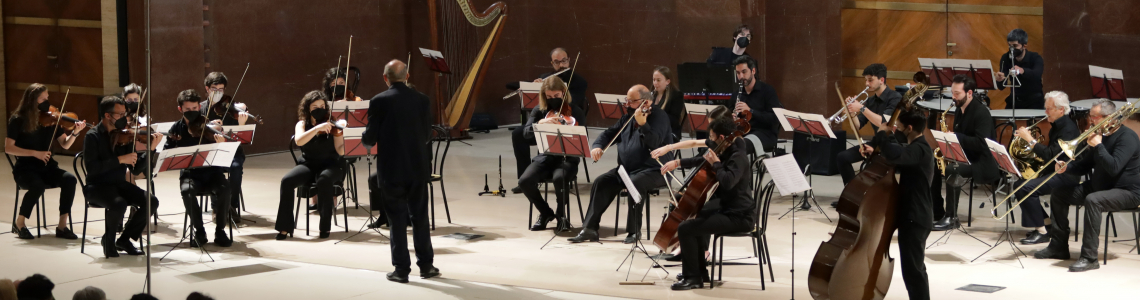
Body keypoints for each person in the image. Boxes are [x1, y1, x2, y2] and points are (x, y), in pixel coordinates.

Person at [1036, 100, 1140, 272]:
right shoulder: (1101, 135)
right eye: (1090, 116)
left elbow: (1114, 168)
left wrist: (1098, 145)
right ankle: (1058, 246)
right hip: (1101, 187)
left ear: (1110, 118)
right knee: (1059, 193)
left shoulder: (1127, 137)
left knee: (1093, 200)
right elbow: (1085, 165)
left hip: (1128, 192)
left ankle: (1089, 258)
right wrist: (1066, 167)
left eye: (1094, 117)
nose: (1090, 121)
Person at [362, 59, 440, 283]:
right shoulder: (422, 100)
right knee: (420, 217)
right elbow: (427, 135)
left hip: (391, 169)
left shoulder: (379, 101)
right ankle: (427, 266)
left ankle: (401, 270)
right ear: (407, 76)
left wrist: (365, 140)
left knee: (396, 220)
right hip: (418, 168)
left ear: (385, 78)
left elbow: (370, 137)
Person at [657, 112, 753, 291]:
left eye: (712, 137)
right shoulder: (725, 145)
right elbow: (703, 158)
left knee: (685, 228)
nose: (709, 140)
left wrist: (716, 163)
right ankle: (699, 272)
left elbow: (727, 181)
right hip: (727, 207)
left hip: (739, 215)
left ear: (722, 138)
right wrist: (678, 162)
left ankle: (692, 278)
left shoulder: (737, 156)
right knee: (697, 214)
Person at [568, 85, 673, 244]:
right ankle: (589, 228)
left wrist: (643, 124)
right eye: (627, 101)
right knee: (601, 182)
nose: (627, 105)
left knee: (635, 183)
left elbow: (655, 142)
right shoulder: (627, 118)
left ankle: (634, 231)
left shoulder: (659, 117)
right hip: (627, 170)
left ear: (646, 101)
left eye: (631, 101)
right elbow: (609, 133)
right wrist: (598, 146)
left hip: (655, 170)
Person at [860, 110, 934, 300]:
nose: (896, 130)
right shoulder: (915, 148)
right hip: (911, 215)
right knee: (913, 270)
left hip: (916, 217)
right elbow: (897, 157)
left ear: (909, 129)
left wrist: (883, 134)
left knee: (914, 271)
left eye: (899, 128)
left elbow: (897, 154)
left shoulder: (920, 149)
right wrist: (874, 151)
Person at [82, 95, 163, 257]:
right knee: (119, 204)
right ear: (107, 115)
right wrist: (119, 160)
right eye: (119, 114)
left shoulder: (125, 136)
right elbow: (92, 169)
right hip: (97, 186)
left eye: (124, 113)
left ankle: (124, 239)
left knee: (151, 201)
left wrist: (150, 150)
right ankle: (109, 240)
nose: (124, 118)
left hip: (119, 184)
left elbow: (135, 169)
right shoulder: (92, 136)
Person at [5, 83, 85, 240]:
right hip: (25, 169)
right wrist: (35, 153)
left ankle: (62, 226)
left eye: (47, 98)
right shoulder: (17, 119)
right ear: (32, 100)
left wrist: (75, 133)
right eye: (43, 99)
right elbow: (8, 148)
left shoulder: (52, 119)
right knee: (37, 186)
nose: (47, 102)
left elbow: (65, 144)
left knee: (69, 179)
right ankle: (20, 223)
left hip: (47, 167)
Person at [509, 47, 588, 194]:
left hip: (565, 125)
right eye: (557, 62)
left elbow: (574, 102)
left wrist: (563, 90)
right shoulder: (545, 77)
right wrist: (534, 88)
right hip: (543, 126)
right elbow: (537, 106)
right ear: (552, 63)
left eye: (564, 61)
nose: (561, 65)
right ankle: (524, 178)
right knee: (518, 134)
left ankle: (565, 172)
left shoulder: (578, 81)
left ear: (569, 60)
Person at [165, 89, 233, 247]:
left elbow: (225, 156)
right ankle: (199, 230)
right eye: (188, 109)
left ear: (199, 107)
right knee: (187, 191)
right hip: (190, 175)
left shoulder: (208, 126)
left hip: (212, 173)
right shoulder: (176, 128)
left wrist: (221, 144)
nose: (192, 112)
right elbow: (167, 154)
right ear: (180, 109)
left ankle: (220, 231)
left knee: (225, 188)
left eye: (195, 109)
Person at [931, 75, 999, 231]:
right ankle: (937, 210)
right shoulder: (960, 109)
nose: (953, 97)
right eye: (952, 93)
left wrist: (956, 137)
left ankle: (952, 217)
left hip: (982, 161)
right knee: (932, 164)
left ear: (969, 93)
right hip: (966, 156)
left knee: (952, 169)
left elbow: (982, 143)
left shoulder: (981, 112)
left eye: (957, 94)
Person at [275, 91, 346, 239]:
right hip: (309, 164)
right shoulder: (302, 124)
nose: (320, 109)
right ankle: (284, 227)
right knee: (287, 181)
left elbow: (340, 150)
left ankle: (325, 227)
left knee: (324, 180)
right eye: (315, 106)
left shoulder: (332, 123)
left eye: (322, 106)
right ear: (308, 108)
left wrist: (346, 138)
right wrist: (316, 129)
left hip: (331, 165)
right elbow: (299, 141)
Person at [1011, 91, 1080, 244]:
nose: (1045, 112)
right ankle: (1046, 224)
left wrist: (1029, 140)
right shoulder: (1056, 125)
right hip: (1053, 169)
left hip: (1066, 174)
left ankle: (1041, 232)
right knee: (1019, 184)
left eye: (1049, 109)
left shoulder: (1068, 129)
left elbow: (1050, 154)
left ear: (1061, 109)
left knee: (1026, 189)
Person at [831, 64, 902, 207]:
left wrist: (861, 108)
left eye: (870, 80)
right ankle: (852, 196)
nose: (866, 84)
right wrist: (851, 113)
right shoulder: (870, 100)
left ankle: (868, 198)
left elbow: (884, 122)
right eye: (866, 80)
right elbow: (857, 126)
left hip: (893, 144)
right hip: (877, 142)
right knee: (842, 157)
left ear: (882, 80)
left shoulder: (895, 98)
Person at [518, 76, 583, 231]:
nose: (553, 100)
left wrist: (568, 129)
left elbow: (583, 137)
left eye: (557, 96)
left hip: (567, 159)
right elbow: (526, 133)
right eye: (549, 97)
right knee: (524, 181)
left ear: (563, 93)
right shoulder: (539, 110)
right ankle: (545, 212)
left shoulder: (576, 110)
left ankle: (562, 215)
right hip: (545, 157)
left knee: (560, 178)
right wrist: (540, 123)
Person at [202, 72, 249, 225]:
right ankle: (216, 208)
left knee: (236, 167)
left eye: (221, 89)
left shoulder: (230, 107)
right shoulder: (201, 109)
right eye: (214, 89)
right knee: (213, 167)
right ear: (207, 89)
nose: (218, 93)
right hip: (211, 152)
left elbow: (240, 138)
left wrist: (242, 125)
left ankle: (232, 206)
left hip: (233, 151)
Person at [731, 55, 783, 154]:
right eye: (738, 73)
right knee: (721, 143)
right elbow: (729, 112)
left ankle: (739, 169)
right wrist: (732, 117)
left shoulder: (768, 91)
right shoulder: (737, 93)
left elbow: (774, 119)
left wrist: (750, 111)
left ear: (753, 71)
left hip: (764, 133)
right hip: (742, 132)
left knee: (738, 146)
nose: (741, 76)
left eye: (744, 72)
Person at [994, 28, 1044, 109]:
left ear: (1024, 46)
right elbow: (1002, 86)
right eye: (1010, 46)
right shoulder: (1006, 58)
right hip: (1015, 100)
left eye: (1015, 46)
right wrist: (1000, 80)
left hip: (1034, 102)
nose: (1012, 49)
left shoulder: (1035, 57)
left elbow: (1037, 75)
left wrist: (1023, 71)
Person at [651, 66, 686, 141]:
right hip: (653, 130)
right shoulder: (651, 94)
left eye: (658, 80)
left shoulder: (676, 95)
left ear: (668, 81)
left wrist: (653, 113)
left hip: (669, 132)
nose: (655, 83)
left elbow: (674, 119)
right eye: (654, 80)